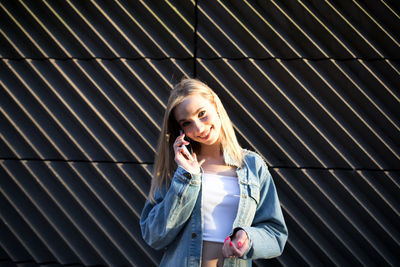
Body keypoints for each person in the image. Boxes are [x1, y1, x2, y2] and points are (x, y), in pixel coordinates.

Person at [140, 78, 288, 266]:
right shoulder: (177, 168)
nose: (199, 128)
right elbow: (154, 236)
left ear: (215, 106)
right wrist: (186, 178)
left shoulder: (252, 166)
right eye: (186, 123)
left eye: (202, 114)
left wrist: (248, 239)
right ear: (180, 130)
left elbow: (275, 234)